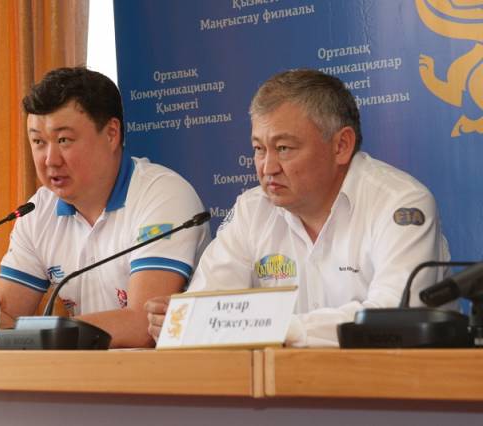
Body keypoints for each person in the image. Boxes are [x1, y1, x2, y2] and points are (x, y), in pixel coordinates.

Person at [146, 69, 451, 347]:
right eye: (259, 149)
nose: (268, 168)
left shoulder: (400, 202)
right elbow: (208, 306)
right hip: (286, 386)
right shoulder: (253, 210)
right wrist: (183, 322)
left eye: (283, 148)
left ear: (341, 146)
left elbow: (393, 318)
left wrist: (281, 329)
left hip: (395, 384)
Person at [0, 67, 210, 348]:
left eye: (64, 140)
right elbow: (4, 318)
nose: (50, 160)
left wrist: (44, 333)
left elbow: (142, 325)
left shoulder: (163, 195)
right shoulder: (38, 210)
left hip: (163, 372)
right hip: (81, 370)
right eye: (38, 142)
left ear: (111, 134)